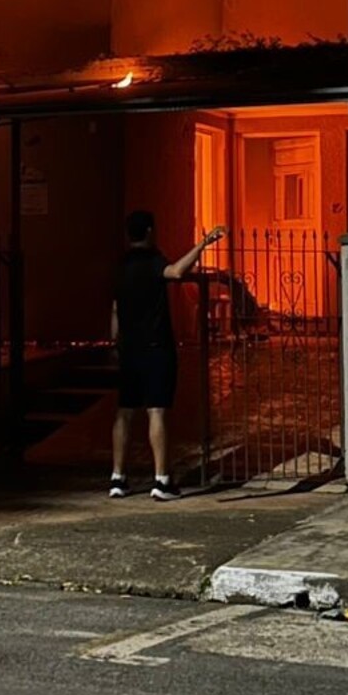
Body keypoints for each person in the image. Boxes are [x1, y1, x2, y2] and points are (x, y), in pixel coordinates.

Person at [109, 210, 225, 501]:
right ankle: (162, 481)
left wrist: (115, 344)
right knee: (156, 411)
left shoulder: (122, 265)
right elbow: (175, 272)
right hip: (154, 347)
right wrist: (203, 245)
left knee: (124, 412)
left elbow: (114, 308)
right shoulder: (152, 260)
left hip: (128, 348)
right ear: (149, 231)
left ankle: (117, 478)